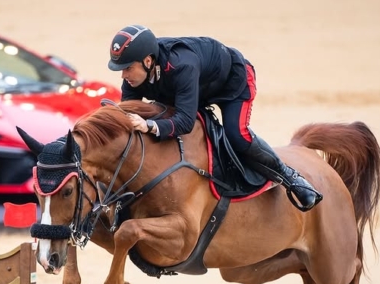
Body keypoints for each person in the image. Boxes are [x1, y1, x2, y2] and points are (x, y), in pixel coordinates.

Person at [107, 24, 322, 212]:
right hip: (195, 89)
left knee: (237, 135)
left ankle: (290, 177)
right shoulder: (133, 77)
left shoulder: (182, 65)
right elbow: (129, 115)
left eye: (127, 68)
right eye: (120, 70)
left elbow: (184, 122)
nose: (123, 76)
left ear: (147, 61)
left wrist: (149, 124)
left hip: (233, 82)